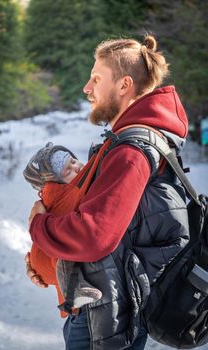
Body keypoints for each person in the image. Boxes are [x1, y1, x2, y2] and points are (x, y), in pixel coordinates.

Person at [25, 34, 189, 350]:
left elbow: (94, 236)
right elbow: (116, 229)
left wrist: (38, 224)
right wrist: (44, 261)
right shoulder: (128, 141)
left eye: (96, 79)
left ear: (124, 85)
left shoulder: (131, 151)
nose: (87, 88)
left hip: (104, 321)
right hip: (104, 309)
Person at [23, 142, 103, 314]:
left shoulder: (75, 189)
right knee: (63, 239)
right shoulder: (60, 195)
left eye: (74, 160)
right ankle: (73, 291)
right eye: (68, 170)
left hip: (44, 265)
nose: (77, 167)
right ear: (56, 182)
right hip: (45, 262)